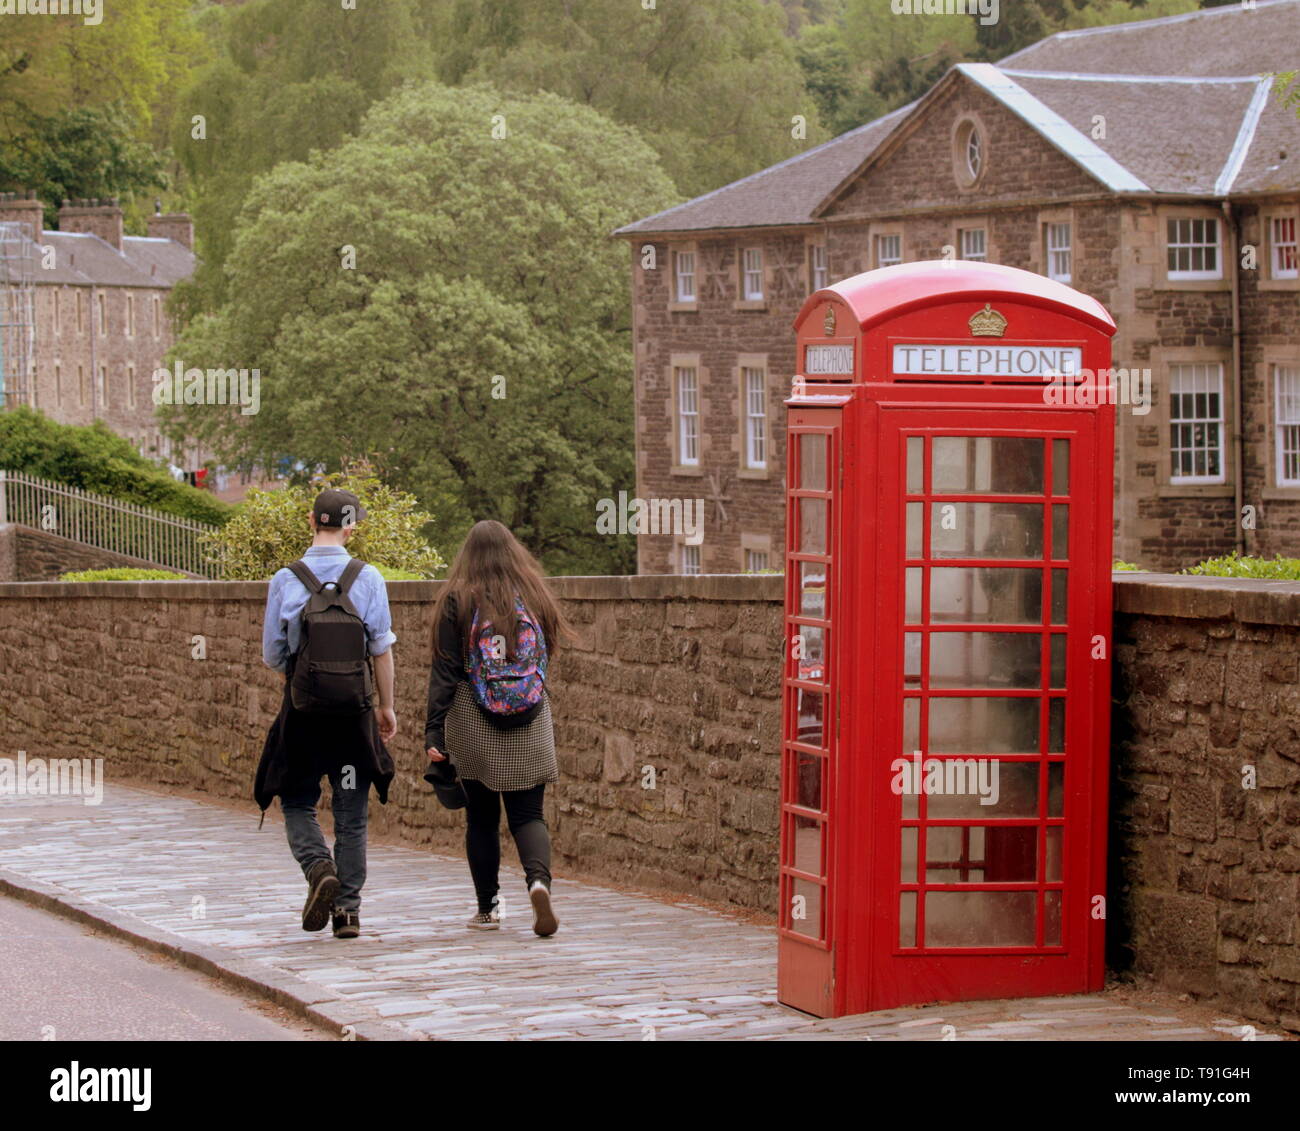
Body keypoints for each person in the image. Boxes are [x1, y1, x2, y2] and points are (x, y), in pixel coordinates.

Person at [255, 488, 398, 939]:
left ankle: (319, 870)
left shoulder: (286, 578)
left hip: (303, 715)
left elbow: (273, 654)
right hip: (353, 720)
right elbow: (381, 650)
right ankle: (348, 913)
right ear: (351, 526)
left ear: (312, 522)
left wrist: (300, 672)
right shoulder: (368, 577)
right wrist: (386, 707)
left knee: (297, 798)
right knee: (351, 809)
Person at [424, 520, 568, 937]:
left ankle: (489, 909)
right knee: (528, 814)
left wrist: (434, 731)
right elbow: (544, 659)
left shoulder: (456, 599)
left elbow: (446, 672)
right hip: (531, 714)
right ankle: (538, 882)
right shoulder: (536, 595)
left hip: (473, 714)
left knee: (482, 819)